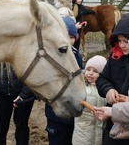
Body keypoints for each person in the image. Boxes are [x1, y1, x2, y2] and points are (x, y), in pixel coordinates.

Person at [45, 16, 84, 145]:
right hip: (55, 112)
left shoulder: (76, 54)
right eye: (65, 36)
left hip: (72, 112)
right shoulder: (50, 57)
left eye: (72, 37)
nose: (69, 40)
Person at [96, 13, 129, 145]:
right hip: (114, 121)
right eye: (119, 41)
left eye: (125, 41)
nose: (121, 45)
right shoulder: (115, 57)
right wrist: (108, 90)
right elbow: (102, 79)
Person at [0, 63, 35, 145]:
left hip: (23, 94)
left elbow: (34, 72)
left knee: (22, 127)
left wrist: (25, 94)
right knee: (0, 129)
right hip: (2, 94)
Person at [72, 55, 107, 145]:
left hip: (101, 133)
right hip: (83, 134)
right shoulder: (80, 87)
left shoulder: (105, 90)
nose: (90, 73)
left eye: (95, 71)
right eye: (88, 69)